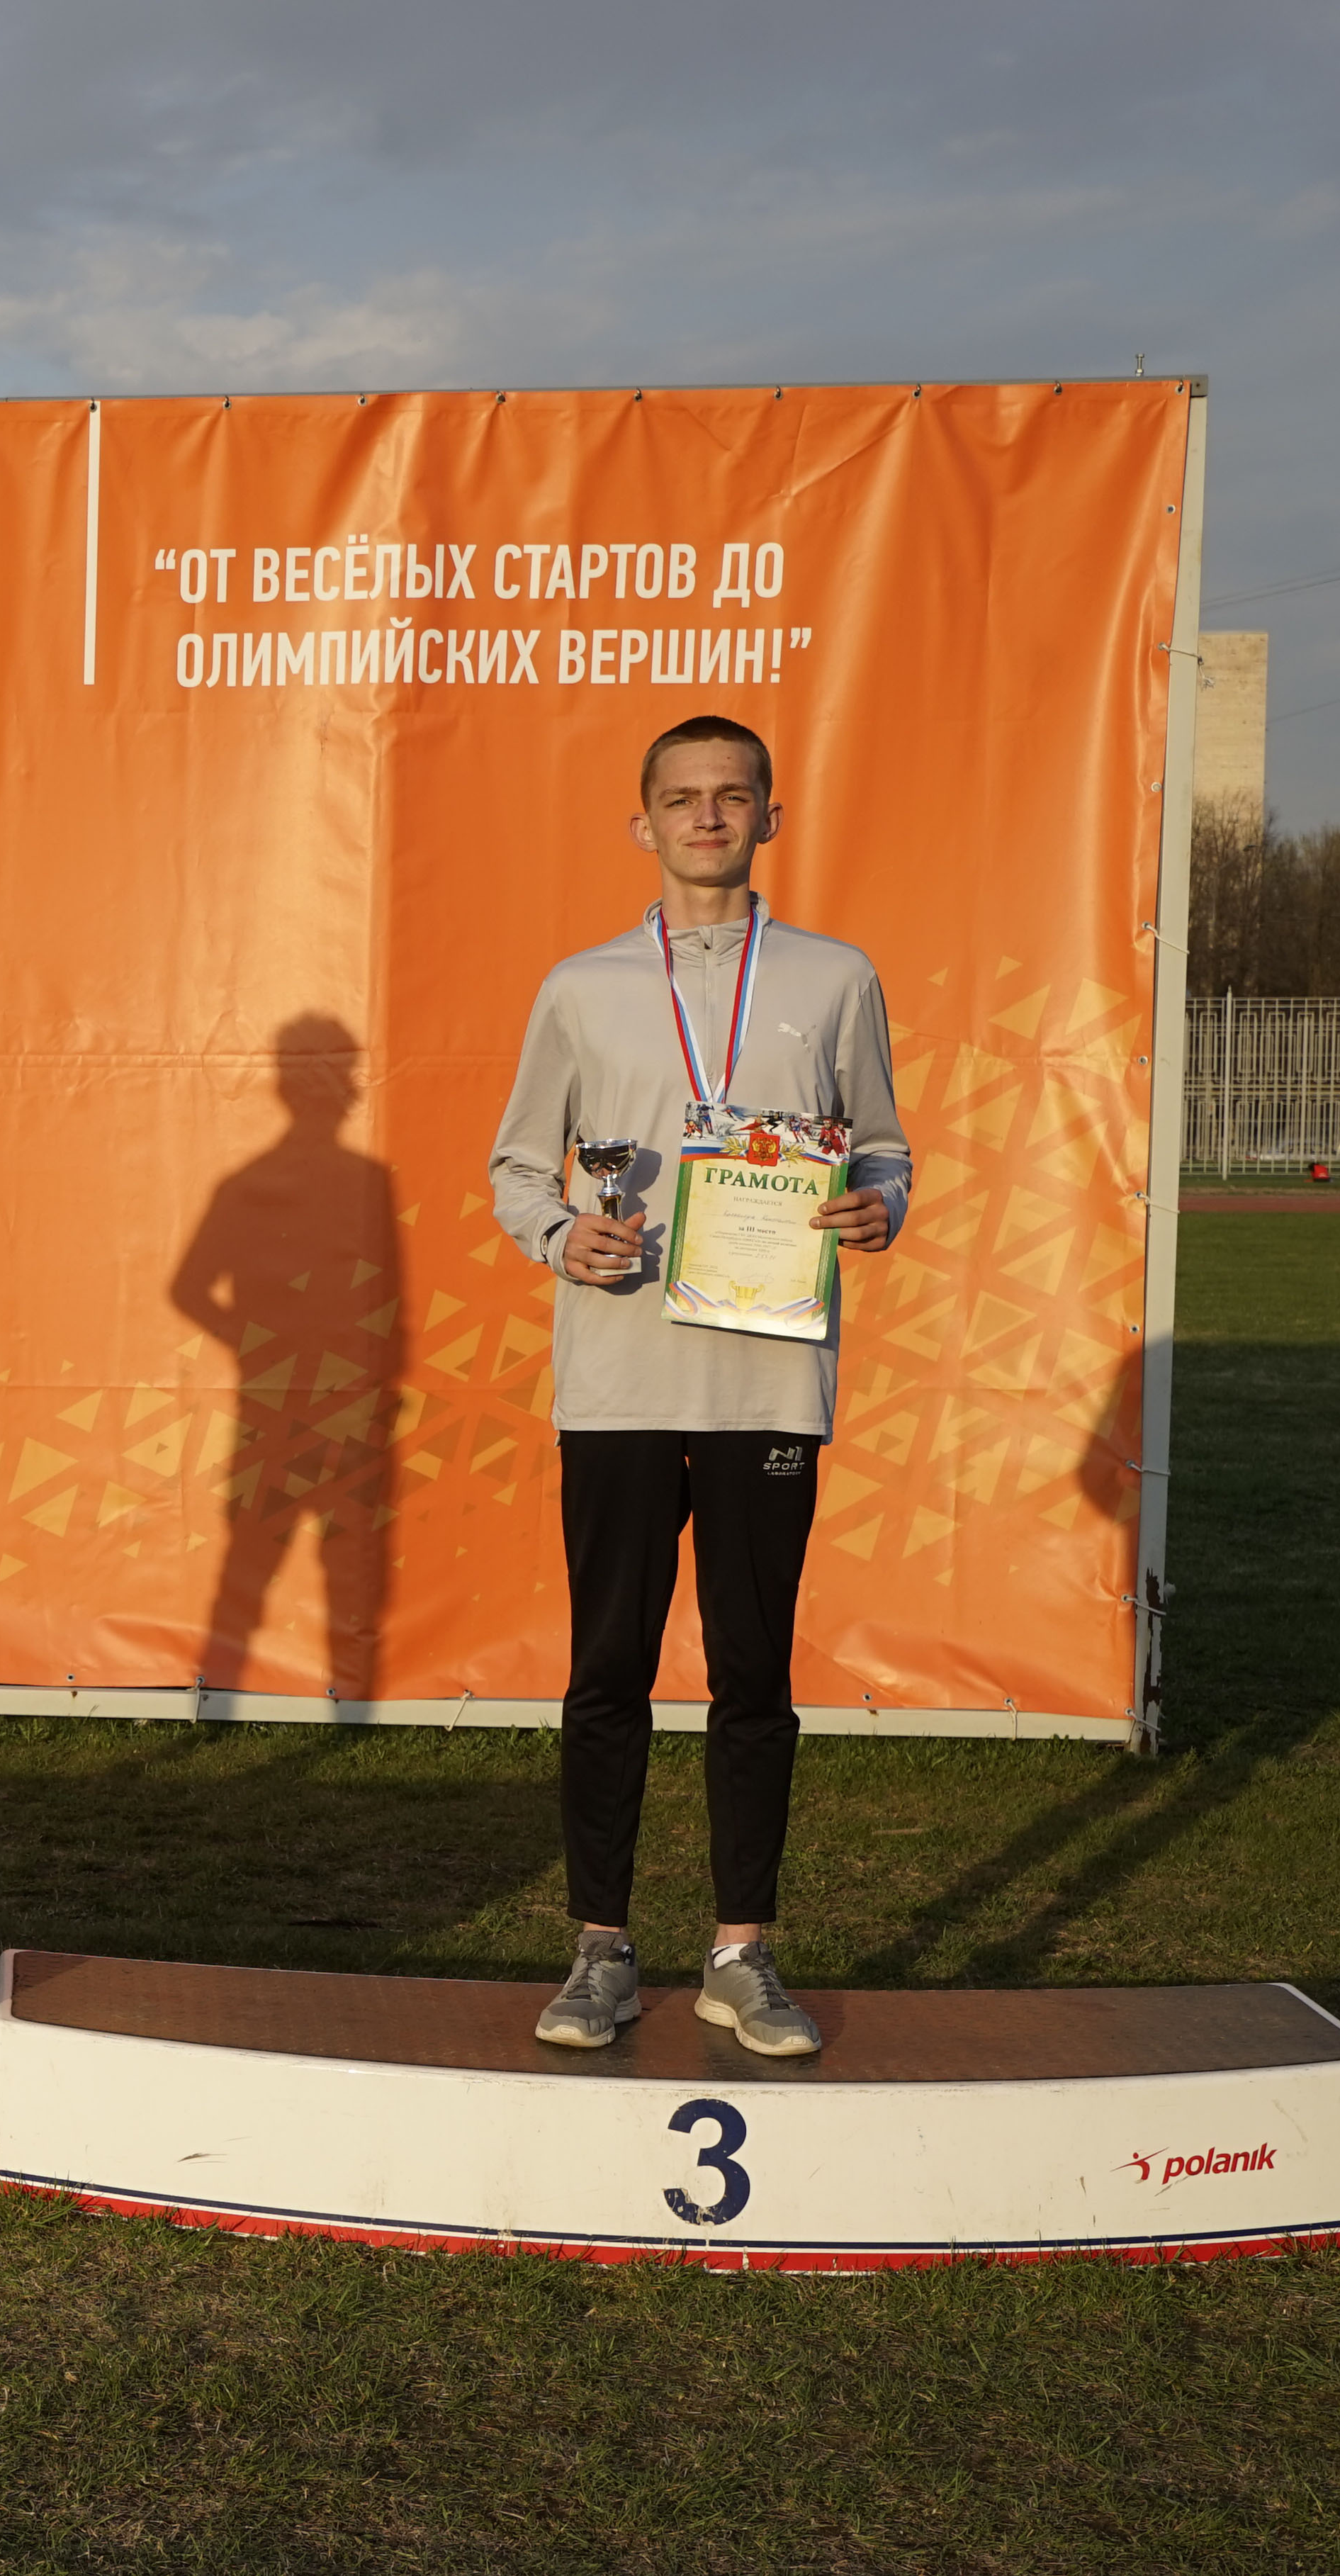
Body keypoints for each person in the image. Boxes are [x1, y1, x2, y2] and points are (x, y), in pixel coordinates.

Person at [488, 715, 909, 2057]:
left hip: (768, 1383)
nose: (708, 816)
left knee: (753, 1676)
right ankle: (600, 1951)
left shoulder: (835, 977)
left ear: (770, 818)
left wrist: (879, 1208)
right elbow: (518, 1166)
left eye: (733, 796)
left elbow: (885, 1149)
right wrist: (563, 1234)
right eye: (683, 798)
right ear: (645, 824)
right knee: (606, 1669)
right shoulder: (582, 986)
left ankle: (742, 1954)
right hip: (617, 1377)